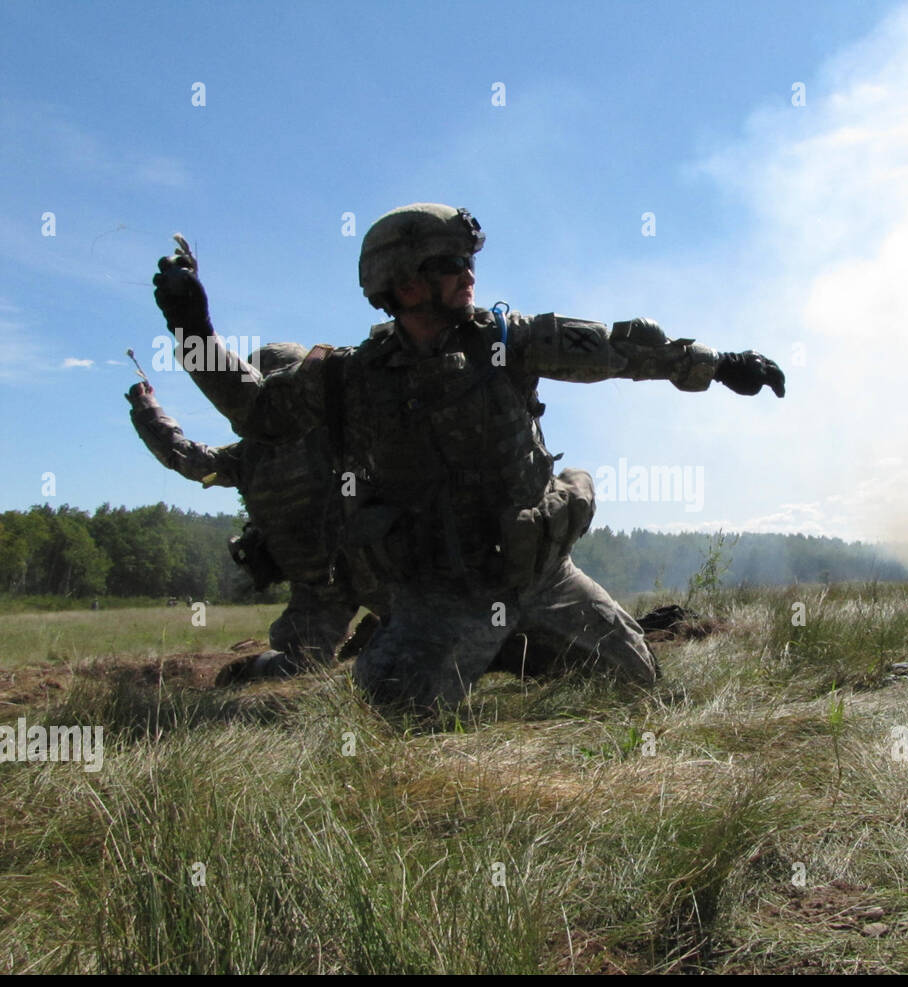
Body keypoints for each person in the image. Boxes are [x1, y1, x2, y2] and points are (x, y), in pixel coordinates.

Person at [152, 203, 785, 713]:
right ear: (404, 284)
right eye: (451, 262)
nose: (469, 274)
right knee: (389, 720)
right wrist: (193, 328)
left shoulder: (512, 342)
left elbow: (622, 351)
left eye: (469, 261)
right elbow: (256, 412)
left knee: (638, 690)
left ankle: (511, 647)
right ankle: (481, 649)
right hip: (441, 595)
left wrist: (722, 365)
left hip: (543, 578)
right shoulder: (350, 378)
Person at [126, 345, 378, 679]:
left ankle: (261, 669)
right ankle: (380, 639)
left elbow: (188, 460)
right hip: (371, 563)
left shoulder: (247, 456)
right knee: (422, 632)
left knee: (299, 663)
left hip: (321, 579)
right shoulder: (340, 429)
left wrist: (149, 412)